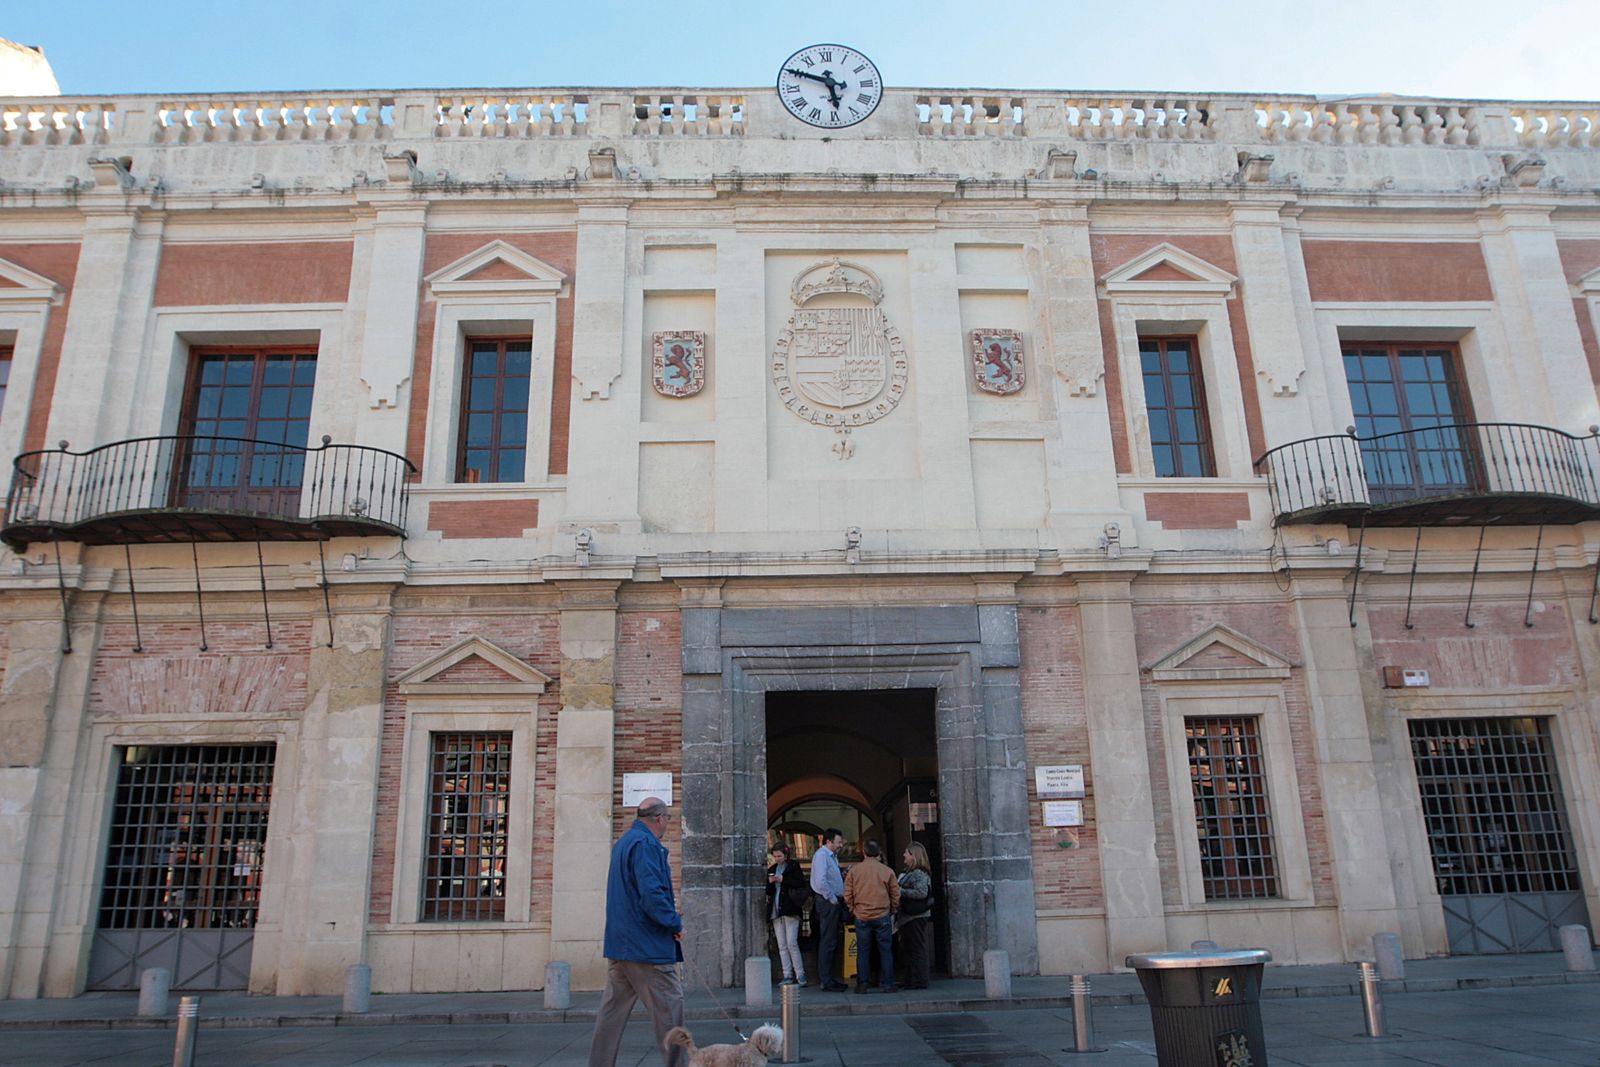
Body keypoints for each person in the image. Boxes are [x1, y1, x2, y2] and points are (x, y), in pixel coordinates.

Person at [588, 798, 687, 1067]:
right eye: (667, 818)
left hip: (622, 944)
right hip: (647, 947)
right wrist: (674, 923)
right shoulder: (646, 844)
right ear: (660, 818)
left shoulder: (624, 842)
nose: (667, 823)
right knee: (670, 1009)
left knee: (611, 1014)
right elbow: (652, 894)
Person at [843, 839, 899, 993]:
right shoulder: (887, 871)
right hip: (882, 915)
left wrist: (853, 909)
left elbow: (847, 895)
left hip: (862, 915)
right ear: (878, 853)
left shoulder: (855, 871)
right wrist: (892, 909)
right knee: (885, 951)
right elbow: (895, 894)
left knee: (863, 951)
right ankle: (888, 983)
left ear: (864, 852)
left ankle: (862, 984)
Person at [809, 828, 848, 992]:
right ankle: (826, 979)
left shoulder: (831, 857)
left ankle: (830, 978)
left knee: (831, 940)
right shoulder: (822, 856)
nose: (841, 845)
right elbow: (820, 882)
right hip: (827, 902)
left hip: (831, 901)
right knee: (828, 940)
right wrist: (832, 898)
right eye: (838, 842)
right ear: (829, 841)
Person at [767, 842, 808, 985]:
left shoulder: (793, 866)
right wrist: (770, 882)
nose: (777, 859)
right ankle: (787, 974)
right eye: (775, 856)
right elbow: (768, 891)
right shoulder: (772, 869)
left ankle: (800, 974)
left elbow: (800, 883)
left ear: (785, 855)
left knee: (791, 943)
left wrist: (783, 879)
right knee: (782, 945)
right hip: (776, 909)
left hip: (790, 909)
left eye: (779, 856)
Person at [895, 842, 934, 989]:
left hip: (915, 916)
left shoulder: (918, 873)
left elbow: (921, 892)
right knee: (909, 948)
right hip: (909, 916)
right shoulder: (910, 872)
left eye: (907, 852)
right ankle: (910, 978)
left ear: (914, 856)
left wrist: (900, 891)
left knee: (916, 948)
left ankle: (919, 980)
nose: (904, 855)